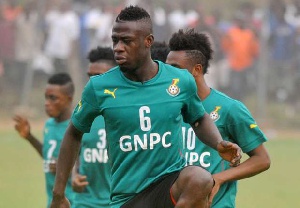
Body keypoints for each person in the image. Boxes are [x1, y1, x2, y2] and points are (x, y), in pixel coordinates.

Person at [50, 6, 241, 208]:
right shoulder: (99, 87)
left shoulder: (179, 80)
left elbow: (199, 118)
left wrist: (219, 143)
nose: (118, 47)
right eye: (115, 40)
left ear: (148, 41)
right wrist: (58, 194)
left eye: (127, 41)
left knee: (200, 179)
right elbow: (73, 133)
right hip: (128, 196)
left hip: (168, 184)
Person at [166, 29, 271, 208]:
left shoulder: (230, 108)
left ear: (196, 70)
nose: (167, 74)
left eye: (174, 68)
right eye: (165, 67)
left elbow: (262, 159)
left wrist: (218, 179)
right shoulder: (166, 107)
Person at [13, 73, 75, 208]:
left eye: (53, 98)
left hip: (73, 202)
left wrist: (65, 167)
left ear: (69, 99)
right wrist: (30, 137)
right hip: (53, 202)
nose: (47, 103)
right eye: (46, 97)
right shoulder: (49, 125)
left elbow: (89, 165)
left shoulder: (77, 128)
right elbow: (48, 155)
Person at [71, 46, 116, 208]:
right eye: (90, 76)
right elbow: (74, 146)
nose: (93, 83)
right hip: (84, 202)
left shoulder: (126, 114)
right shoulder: (83, 112)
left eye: (98, 76)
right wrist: (74, 175)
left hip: (116, 203)